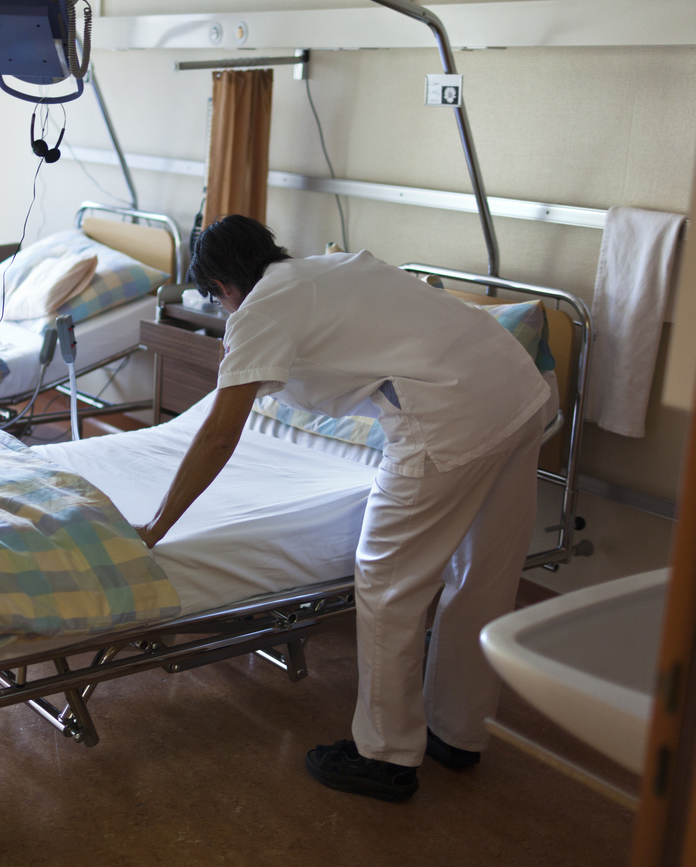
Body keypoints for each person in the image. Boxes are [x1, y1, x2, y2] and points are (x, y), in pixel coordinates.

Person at [133, 215, 551, 803]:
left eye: (220, 301)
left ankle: (384, 756)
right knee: (482, 575)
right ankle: (458, 734)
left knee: (387, 581)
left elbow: (218, 436)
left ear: (224, 288)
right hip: (519, 389)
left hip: (447, 418)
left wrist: (157, 525)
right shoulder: (328, 268)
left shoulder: (258, 310)